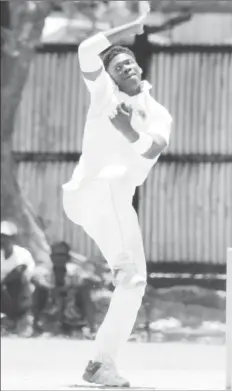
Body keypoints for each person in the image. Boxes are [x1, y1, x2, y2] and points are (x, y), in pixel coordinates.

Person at [62, 2, 172, 387]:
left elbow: (151, 148)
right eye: (116, 66)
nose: (123, 67)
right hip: (99, 190)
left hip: (102, 202)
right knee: (134, 280)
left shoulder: (158, 112)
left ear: (138, 68)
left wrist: (129, 130)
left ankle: (98, 364)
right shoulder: (103, 94)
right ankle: (101, 364)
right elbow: (84, 51)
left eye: (127, 63)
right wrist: (131, 28)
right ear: (108, 75)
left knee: (132, 282)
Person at [1, 221, 36, 337]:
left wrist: (5, 281)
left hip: (18, 293)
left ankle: (21, 319)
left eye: (6, 237)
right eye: (1, 237)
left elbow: (23, 273)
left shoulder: (22, 254)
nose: (3, 240)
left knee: (17, 278)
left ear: (13, 238)